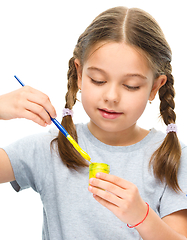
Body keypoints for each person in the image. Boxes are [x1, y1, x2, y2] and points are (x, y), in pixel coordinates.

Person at [0, 6, 187, 240]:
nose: (111, 96)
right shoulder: (51, 148)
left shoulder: (172, 156)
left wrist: (143, 216)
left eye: (130, 85)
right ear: (79, 74)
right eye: (98, 80)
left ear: (155, 87)